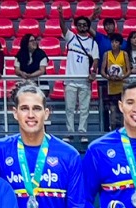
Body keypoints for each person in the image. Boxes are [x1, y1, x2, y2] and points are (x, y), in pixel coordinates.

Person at [59, 13, 99, 141]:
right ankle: (70, 132)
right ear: (76, 26)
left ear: (88, 27)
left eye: (85, 25)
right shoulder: (71, 37)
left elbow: (96, 60)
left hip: (85, 82)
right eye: (80, 25)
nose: (82, 27)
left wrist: (93, 72)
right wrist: (61, 14)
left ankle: (83, 132)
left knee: (84, 109)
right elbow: (62, 26)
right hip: (70, 80)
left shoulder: (93, 43)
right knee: (69, 108)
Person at [101, 33, 130, 130]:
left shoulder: (124, 54)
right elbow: (102, 71)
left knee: (122, 110)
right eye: (112, 42)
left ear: (120, 44)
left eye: (116, 42)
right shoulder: (107, 54)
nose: (114, 44)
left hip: (122, 86)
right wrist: (108, 77)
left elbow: (129, 70)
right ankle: (113, 130)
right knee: (113, 111)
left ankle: (124, 130)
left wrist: (122, 77)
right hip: (111, 86)